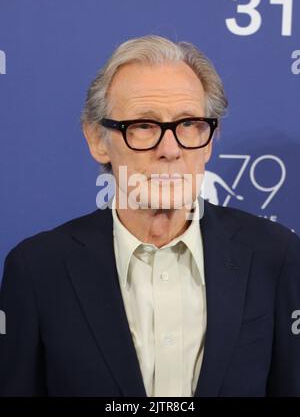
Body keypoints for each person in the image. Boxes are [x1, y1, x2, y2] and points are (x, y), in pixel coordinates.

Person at [0, 35, 299, 397]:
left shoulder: (276, 256)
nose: (170, 149)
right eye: (143, 125)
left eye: (189, 124)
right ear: (97, 140)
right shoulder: (37, 269)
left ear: (209, 140)